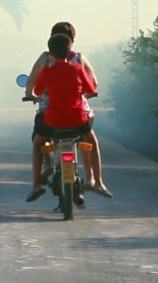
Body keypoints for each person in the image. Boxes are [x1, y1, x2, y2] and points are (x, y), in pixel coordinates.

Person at [25, 32, 112, 202]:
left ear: (50, 52)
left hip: (53, 121)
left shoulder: (47, 72)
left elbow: (37, 90)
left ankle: (36, 185)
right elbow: (90, 89)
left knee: (38, 143)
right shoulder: (78, 68)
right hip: (78, 120)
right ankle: (97, 181)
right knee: (91, 141)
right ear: (69, 50)